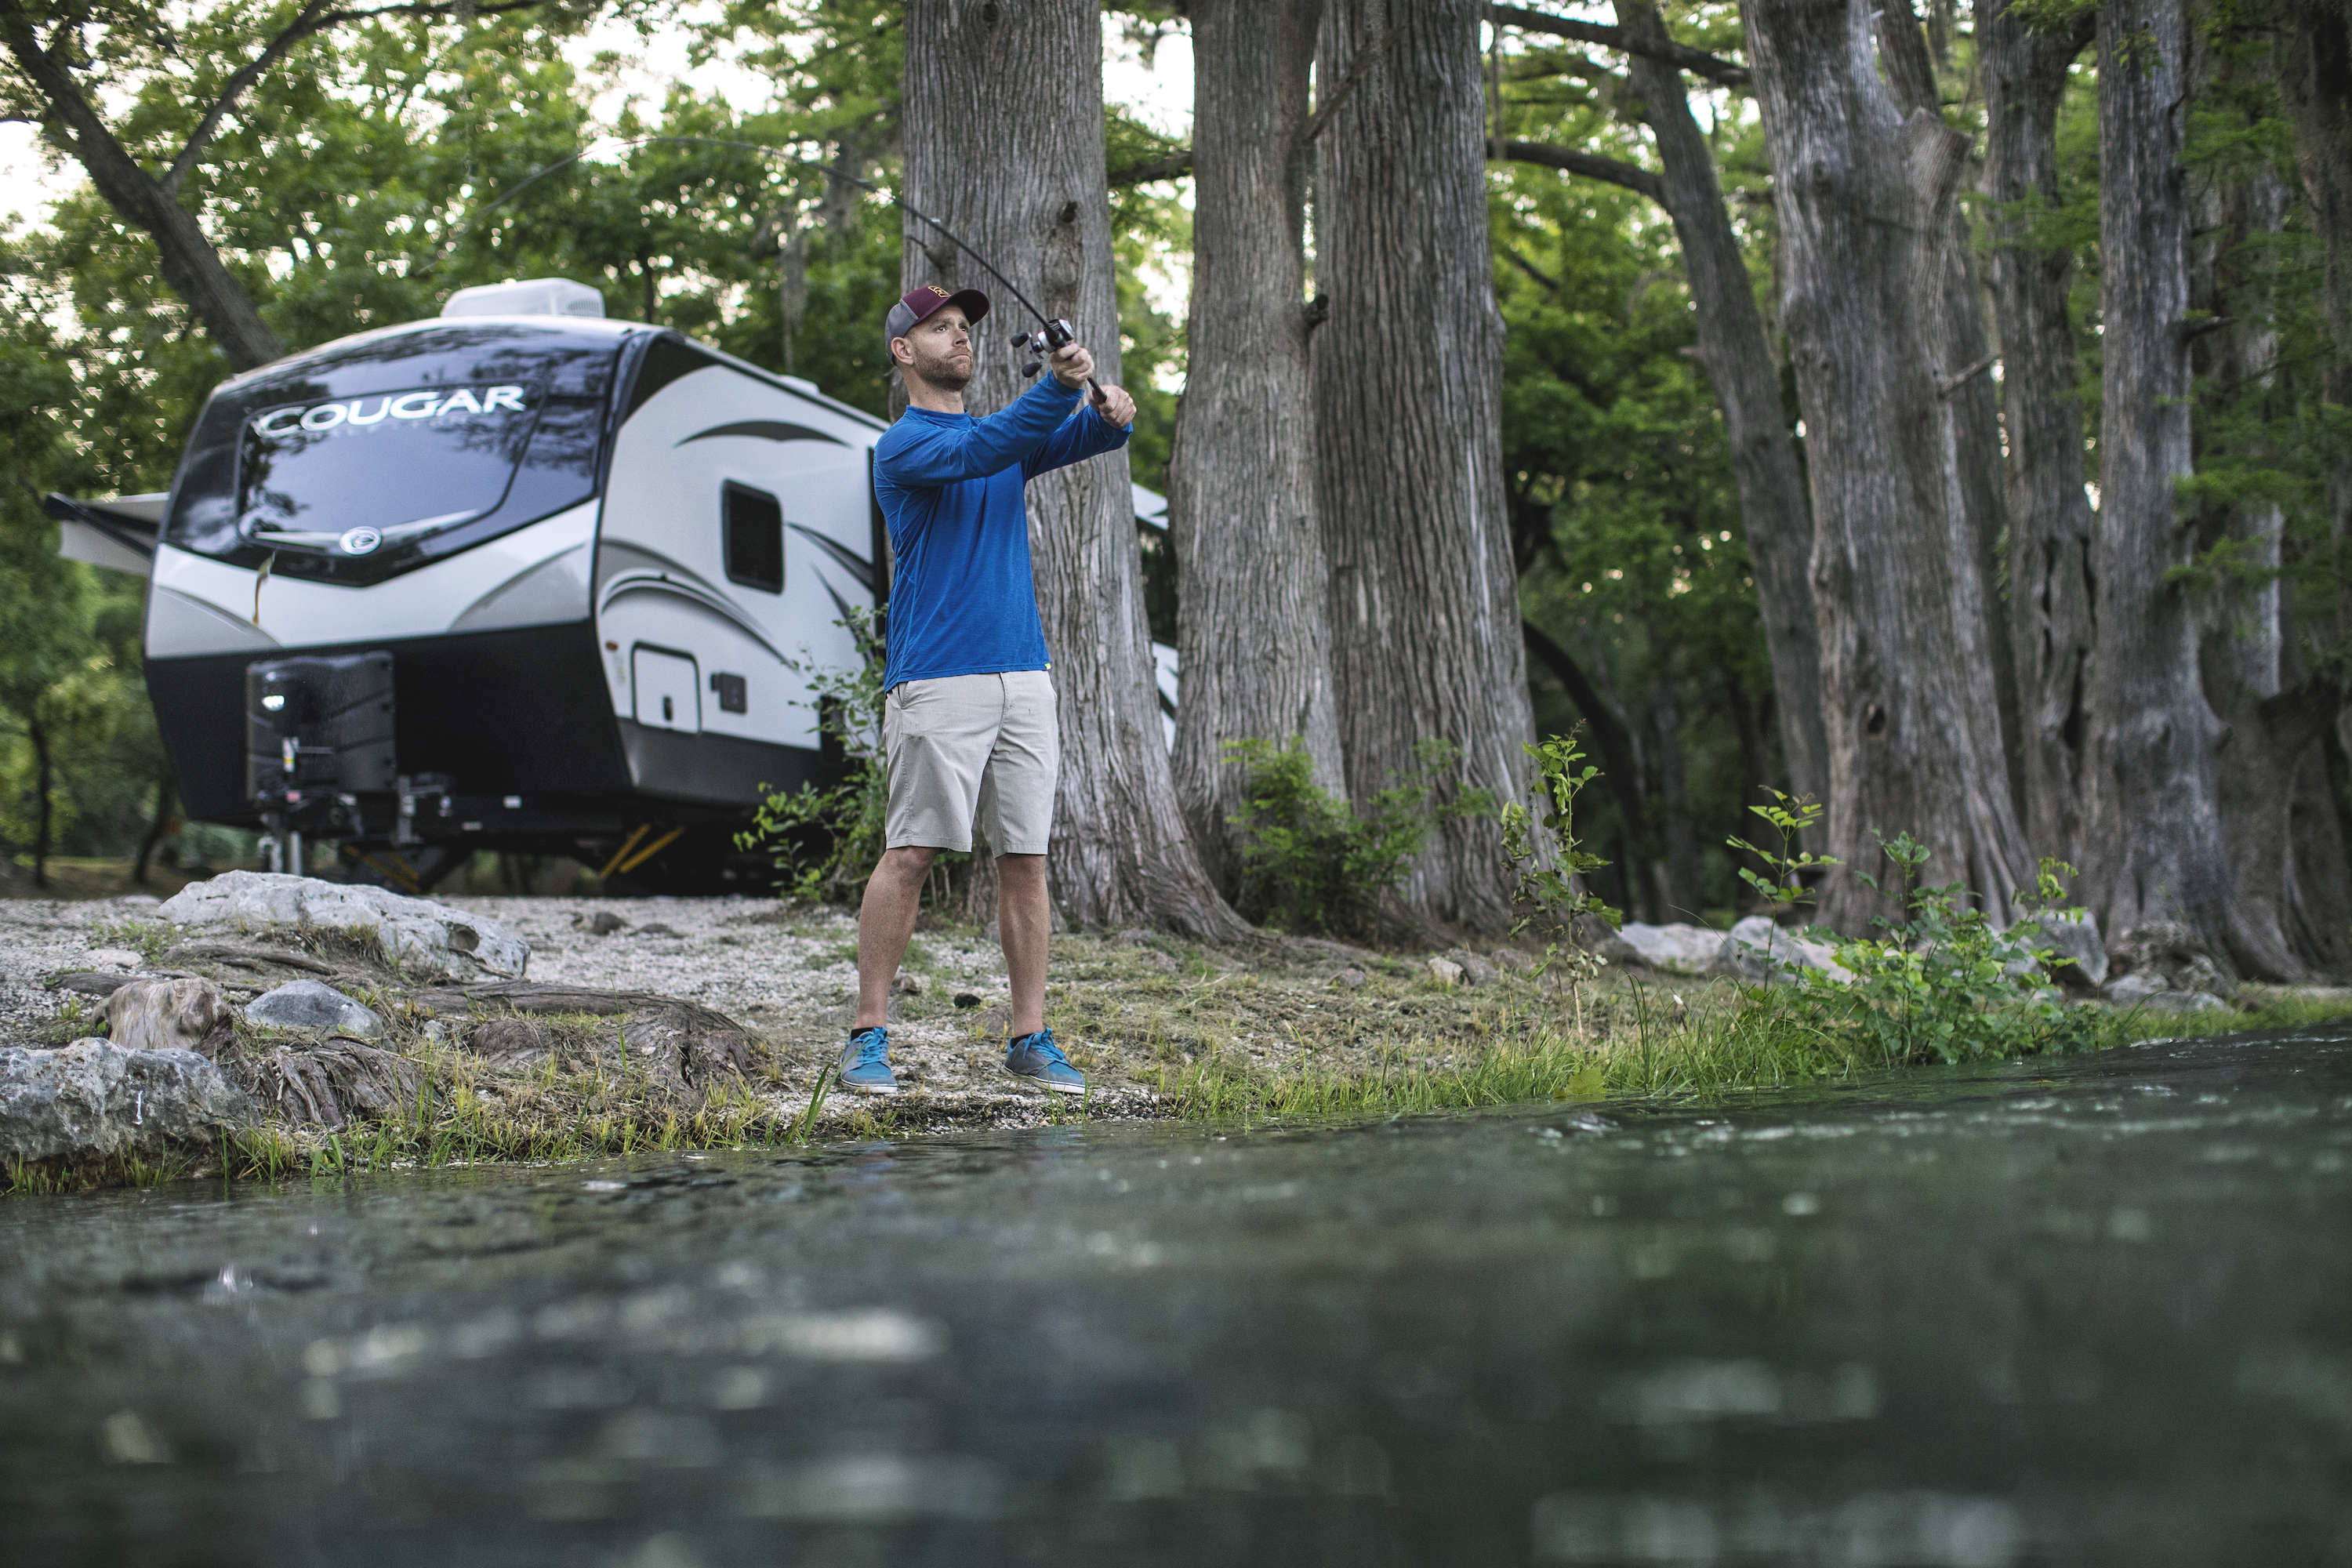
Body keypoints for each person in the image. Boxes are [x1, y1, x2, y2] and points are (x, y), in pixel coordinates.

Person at [839, 282, 1138, 1096]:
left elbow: (1084, 441)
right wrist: (1060, 387)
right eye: (940, 329)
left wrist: (1112, 414)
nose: (959, 338)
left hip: (1024, 677)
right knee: (910, 854)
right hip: (937, 680)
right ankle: (867, 1034)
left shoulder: (999, 436)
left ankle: (1029, 1037)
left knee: (1027, 861)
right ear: (905, 352)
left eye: (965, 327)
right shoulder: (903, 447)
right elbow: (988, 448)